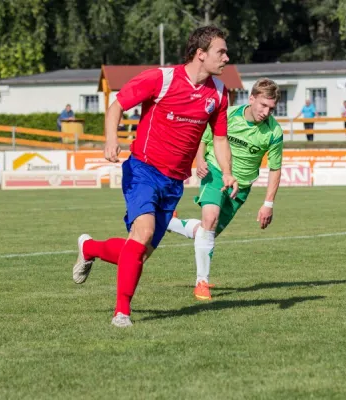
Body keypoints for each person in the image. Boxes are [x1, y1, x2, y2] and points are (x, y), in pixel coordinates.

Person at [71, 26, 237, 328]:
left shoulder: (220, 94)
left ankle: (89, 248)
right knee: (143, 232)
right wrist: (111, 139)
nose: (227, 57)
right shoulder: (162, 79)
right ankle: (122, 313)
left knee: (137, 254)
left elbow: (221, 139)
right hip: (143, 170)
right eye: (221, 51)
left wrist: (227, 172)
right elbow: (117, 105)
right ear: (200, 54)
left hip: (174, 183)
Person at [167, 78, 283, 300]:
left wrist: (268, 204)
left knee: (207, 232)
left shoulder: (274, 132)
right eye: (263, 105)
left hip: (241, 187)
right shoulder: (227, 114)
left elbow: (275, 168)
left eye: (271, 108)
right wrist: (200, 160)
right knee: (209, 220)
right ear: (251, 99)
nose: (266, 112)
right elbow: (204, 136)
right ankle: (202, 282)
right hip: (216, 171)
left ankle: (166, 222)